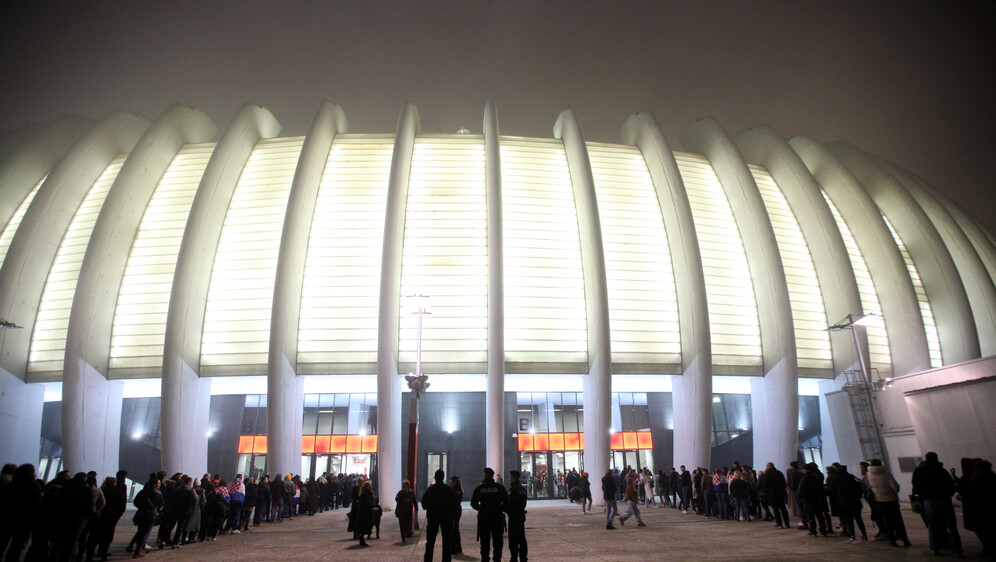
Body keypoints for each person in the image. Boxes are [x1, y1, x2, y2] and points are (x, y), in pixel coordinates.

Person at [912, 452, 962, 556]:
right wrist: (948, 495)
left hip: (928, 500)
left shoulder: (919, 470)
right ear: (936, 458)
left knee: (932, 525)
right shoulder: (941, 470)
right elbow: (951, 484)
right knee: (951, 525)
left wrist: (920, 497)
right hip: (943, 499)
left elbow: (915, 485)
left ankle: (934, 548)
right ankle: (957, 549)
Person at [864, 458, 910, 547]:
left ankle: (892, 540)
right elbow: (895, 487)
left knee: (887, 521)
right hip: (891, 500)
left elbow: (868, 487)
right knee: (898, 521)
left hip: (879, 501)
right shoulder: (887, 474)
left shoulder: (868, 475)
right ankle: (904, 539)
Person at [470, 467, 507, 562]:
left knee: (485, 542)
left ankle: (485, 559)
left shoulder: (479, 488)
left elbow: (473, 503)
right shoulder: (500, 488)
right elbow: (507, 502)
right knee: (498, 542)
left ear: (485, 475)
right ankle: (497, 559)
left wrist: (482, 509)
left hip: (484, 518)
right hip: (497, 518)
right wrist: (499, 509)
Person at [422, 469, 456, 561]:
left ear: (435, 478)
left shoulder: (430, 490)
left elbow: (424, 504)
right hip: (446, 517)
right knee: (446, 542)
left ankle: (428, 560)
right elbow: (454, 504)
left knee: (430, 542)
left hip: (433, 517)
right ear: (443, 477)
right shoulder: (448, 489)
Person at [128, 477, 163, 559]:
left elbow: (135, 502)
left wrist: (142, 507)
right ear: (155, 484)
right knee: (146, 532)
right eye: (159, 483)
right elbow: (161, 503)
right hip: (151, 514)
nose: (159, 485)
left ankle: (138, 548)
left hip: (141, 513)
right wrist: (157, 509)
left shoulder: (142, 492)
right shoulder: (157, 493)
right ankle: (140, 549)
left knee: (140, 531)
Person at [797, 463, 830, 537]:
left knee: (810, 516)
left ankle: (813, 531)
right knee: (820, 516)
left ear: (805, 470)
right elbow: (820, 488)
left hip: (808, 500)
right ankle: (823, 530)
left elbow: (801, 489)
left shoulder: (805, 478)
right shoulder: (816, 477)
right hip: (817, 499)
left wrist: (800, 496)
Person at [506, 470, 528, 562]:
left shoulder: (512, 490)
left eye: (510, 477)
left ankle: (514, 557)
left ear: (514, 478)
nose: (509, 479)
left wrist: (507, 510)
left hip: (513, 516)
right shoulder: (523, 489)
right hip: (521, 516)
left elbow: (509, 503)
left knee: (513, 538)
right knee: (522, 537)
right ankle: (523, 557)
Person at [762, 463, 790, 529]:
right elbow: (784, 483)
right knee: (783, 509)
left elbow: (765, 484)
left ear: (769, 466)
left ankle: (779, 523)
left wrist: (766, 493)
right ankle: (787, 523)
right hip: (780, 493)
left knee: (775, 509)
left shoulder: (767, 474)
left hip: (771, 494)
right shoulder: (779, 473)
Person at [354, 480, 375, 547]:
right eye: (370, 486)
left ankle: (362, 539)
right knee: (363, 526)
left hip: (367, 512)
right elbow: (366, 502)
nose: (371, 487)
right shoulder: (365, 494)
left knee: (366, 526)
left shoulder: (369, 493)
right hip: (364, 513)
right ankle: (362, 539)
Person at [395, 479, 416, 544]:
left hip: (409, 510)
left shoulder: (411, 492)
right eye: (402, 485)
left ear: (408, 486)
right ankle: (403, 537)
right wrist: (403, 501)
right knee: (402, 524)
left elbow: (414, 500)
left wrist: (416, 508)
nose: (403, 487)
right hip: (402, 511)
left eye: (404, 485)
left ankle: (405, 532)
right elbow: (396, 499)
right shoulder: (400, 493)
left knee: (408, 523)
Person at [449, 475, 464, 554]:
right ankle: (458, 547)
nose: (450, 483)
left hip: (455, 511)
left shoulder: (456, 490)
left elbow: (454, 501)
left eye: (451, 481)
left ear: (454, 482)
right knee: (455, 529)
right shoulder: (458, 489)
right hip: (456, 510)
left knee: (454, 530)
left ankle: (454, 547)